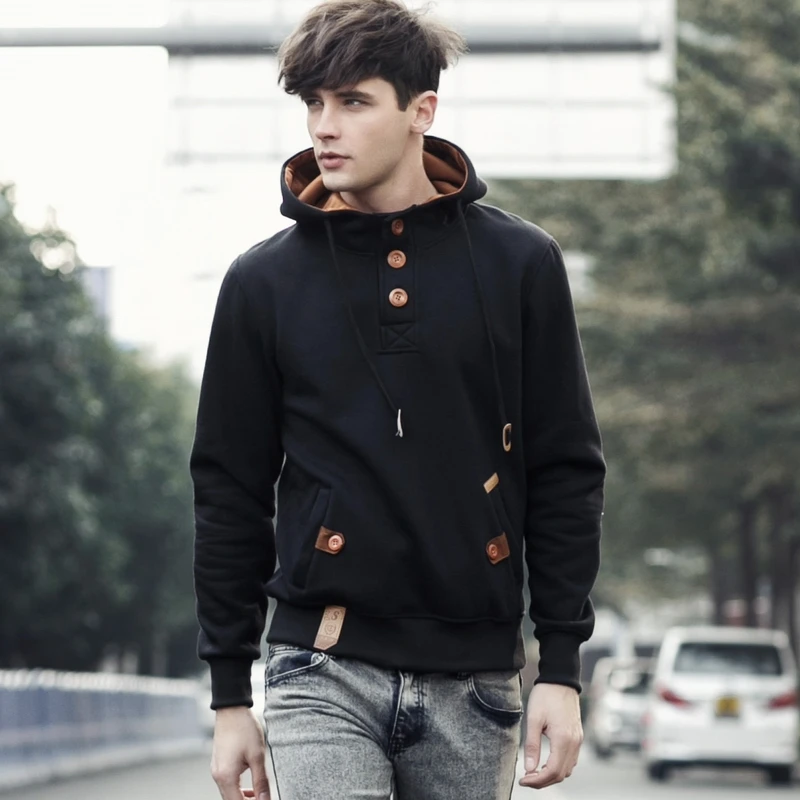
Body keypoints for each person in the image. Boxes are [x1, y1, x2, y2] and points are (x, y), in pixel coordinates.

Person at [190, 1, 605, 798]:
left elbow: (566, 469)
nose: (325, 127)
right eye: (313, 103)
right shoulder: (262, 282)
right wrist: (231, 695)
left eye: (353, 101)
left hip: (477, 679)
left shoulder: (521, 263)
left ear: (422, 111)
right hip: (320, 665)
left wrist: (560, 667)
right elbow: (228, 489)